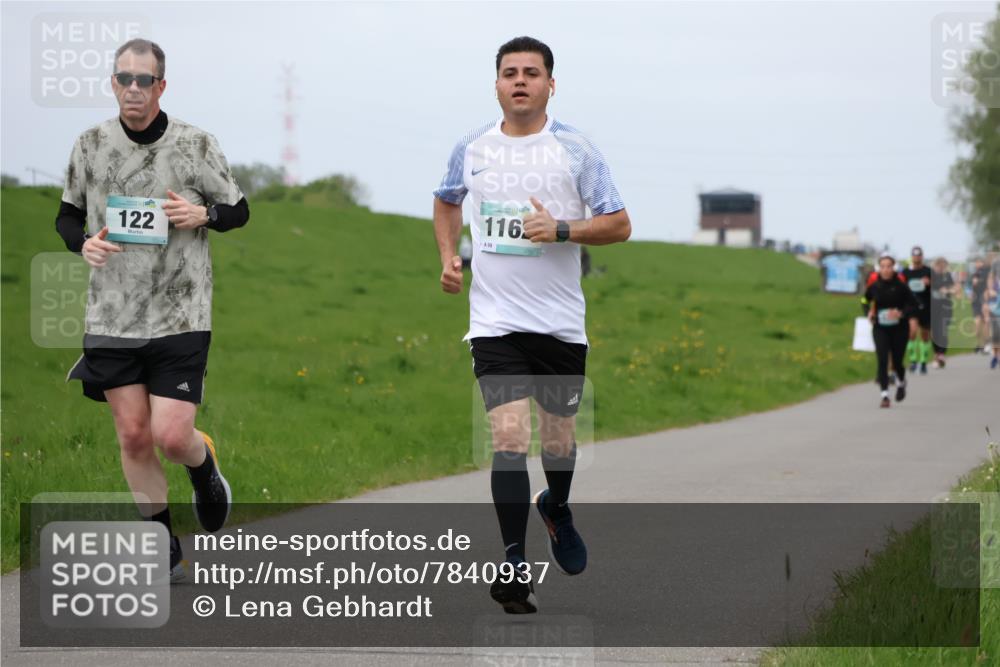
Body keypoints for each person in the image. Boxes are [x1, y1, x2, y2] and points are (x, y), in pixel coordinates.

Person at [433, 36, 630, 613]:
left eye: (532, 73)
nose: (520, 81)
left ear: (550, 84)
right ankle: (515, 563)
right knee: (510, 437)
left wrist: (564, 231)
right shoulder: (472, 146)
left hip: (560, 324)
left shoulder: (575, 150)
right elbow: (447, 201)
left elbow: (619, 224)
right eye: (510, 73)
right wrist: (448, 255)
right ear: (496, 84)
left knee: (559, 440)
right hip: (494, 322)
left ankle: (557, 507)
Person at [56, 39, 247, 580]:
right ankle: (162, 544)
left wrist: (202, 213)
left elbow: (239, 210)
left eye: (144, 80)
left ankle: (202, 463)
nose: (133, 88)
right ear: (112, 84)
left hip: (181, 314)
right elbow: (67, 217)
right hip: (111, 316)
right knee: (133, 435)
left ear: (162, 86)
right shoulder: (89, 144)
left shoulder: (195, 144)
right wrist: (82, 244)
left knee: (169, 434)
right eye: (124, 79)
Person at [865, 253, 919, 408]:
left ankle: (901, 383)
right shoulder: (874, 286)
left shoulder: (901, 286)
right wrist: (868, 312)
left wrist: (901, 313)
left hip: (899, 328)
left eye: (889, 266)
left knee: (896, 362)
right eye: (883, 266)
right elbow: (864, 300)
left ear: (893, 268)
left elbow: (913, 304)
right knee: (882, 360)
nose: (886, 270)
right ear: (878, 268)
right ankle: (885, 396)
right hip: (880, 327)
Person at [902, 246, 933, 374]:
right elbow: (901, 286)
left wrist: (929, 283)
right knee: (912, 331)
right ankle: (913, 359)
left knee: (925, 335)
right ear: (912, 257)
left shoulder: (928, 271)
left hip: (925, 305)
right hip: (911, 305)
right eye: (914, 256)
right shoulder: (906, 272)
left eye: (918, 255)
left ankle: (924, 361)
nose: (916, 258)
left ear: (922, 257)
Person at [929, 257, 957, 368]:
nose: (941, 268)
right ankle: (936, 353)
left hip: (945, 307)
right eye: (939, 265)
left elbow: (954, 288)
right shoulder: (931, 275)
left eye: (943, 266)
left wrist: (949, 290)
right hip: (933, 307)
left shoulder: (948, 276)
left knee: (943, 329)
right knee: (934, 332)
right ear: (935, 266)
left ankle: (941, 354)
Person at [970, 257, 990, 354]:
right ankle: (979, 344)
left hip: (986, 300)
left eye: (979, 262)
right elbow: (968, 287)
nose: (977, 264)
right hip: (976, 302)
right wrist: (970, 293)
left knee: (986, 322)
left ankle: (986, 344)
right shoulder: (974, 274)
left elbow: (990, 285)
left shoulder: (987, 272)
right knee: (977, 324)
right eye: (976, 262)